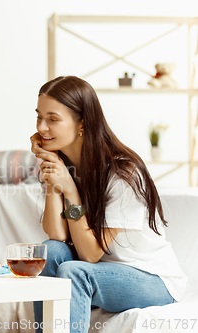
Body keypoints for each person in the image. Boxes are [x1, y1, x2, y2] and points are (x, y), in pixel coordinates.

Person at [29, 76, 187, 333]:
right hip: (106, 268)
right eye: (39, 117)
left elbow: (90, 254)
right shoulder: (64, 164)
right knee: (49, 252)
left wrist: (69, 189)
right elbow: (56, 235)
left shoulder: (123, 172)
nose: (42, 127)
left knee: (74, 273)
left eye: (53, 119)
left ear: (82, 124)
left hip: (152, 278)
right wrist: (52, 171)